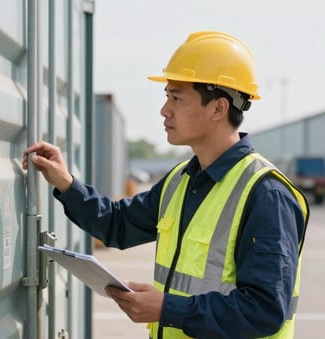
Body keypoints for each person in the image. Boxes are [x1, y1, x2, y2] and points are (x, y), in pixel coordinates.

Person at [23, 31, 309, 339]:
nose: (164, 110)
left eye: (177, 97)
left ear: (218, 108)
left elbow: (265, 310)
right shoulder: (181, 181)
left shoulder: (266, 195)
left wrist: (167, 310)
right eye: (166, 97)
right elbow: (118, 224)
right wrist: (66, 183)